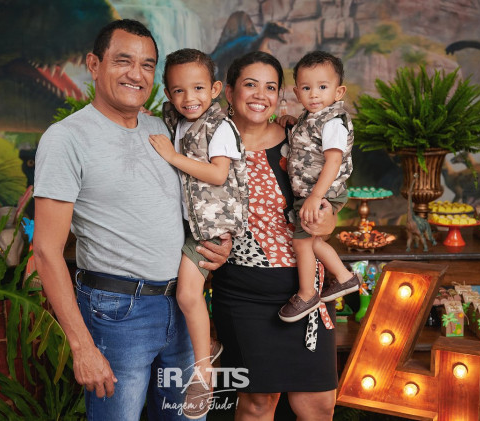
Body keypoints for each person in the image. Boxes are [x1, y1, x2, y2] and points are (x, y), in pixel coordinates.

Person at [33, 19, 231, 421]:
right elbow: (46, 250)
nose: (136, 74)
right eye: (123, 61)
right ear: (94, 64)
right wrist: (82, 347)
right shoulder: (66, 138)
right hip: (117, 314)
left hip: (181, 304)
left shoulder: (163, 129)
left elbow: (191, 202)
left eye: (147, 65)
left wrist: (215, 247)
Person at [211, 51, 338, 420]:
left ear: (280, 96)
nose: (260, 95)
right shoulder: (210, 143)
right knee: (257, 403)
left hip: (305, 292)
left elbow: (328, 209)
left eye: (270, 87)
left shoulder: (299, 138)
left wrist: (327, 222)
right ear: (230, 91)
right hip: (243, 295)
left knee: (317, 404)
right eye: (250, 84)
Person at [148, 48, 248, 419]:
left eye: (198, 88)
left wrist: (173, 157)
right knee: (189, 295)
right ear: (168, 93)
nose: (189, 98)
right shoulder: (176, 121)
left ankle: (203, 371)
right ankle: (208, 350)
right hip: (190, 224)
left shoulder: (219, 126)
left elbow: (219, 174)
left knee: (189, 294)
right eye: (178, 90)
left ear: (216, 89)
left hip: (212, 227)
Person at [278, 50, 360, 323]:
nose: (314, 94)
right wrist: (292, 124)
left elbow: (333, 160)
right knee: (311, 242)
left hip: (321, 193)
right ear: (297, 92)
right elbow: (308, 140)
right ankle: (345, 277)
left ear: (339, 92)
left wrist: (315, 197)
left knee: (301, 243)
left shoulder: (334, 122)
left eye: (322, 87)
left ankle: (307, 294)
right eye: (306, 88)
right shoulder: (311, 117)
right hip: (313, 193)